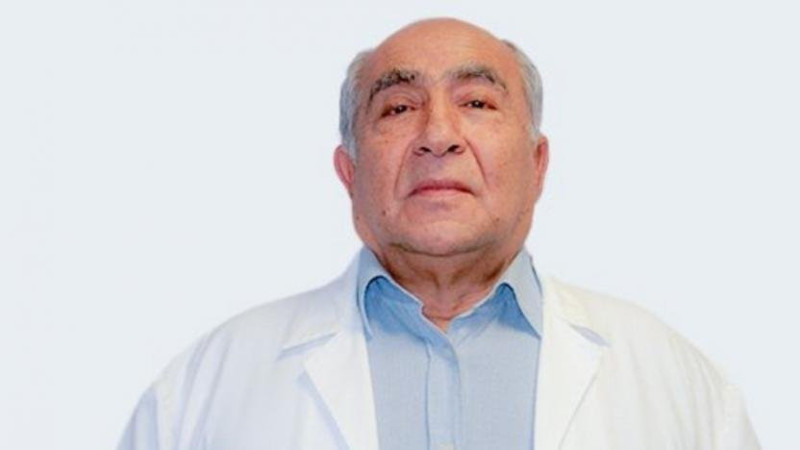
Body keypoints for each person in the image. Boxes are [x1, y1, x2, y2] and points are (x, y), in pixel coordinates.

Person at [118, 18, 760, 450]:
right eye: (399, 108)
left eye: (477, 102)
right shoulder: (208, 391)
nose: (438, 135)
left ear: (537, 164)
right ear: (349, 172)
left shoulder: (676, 387)